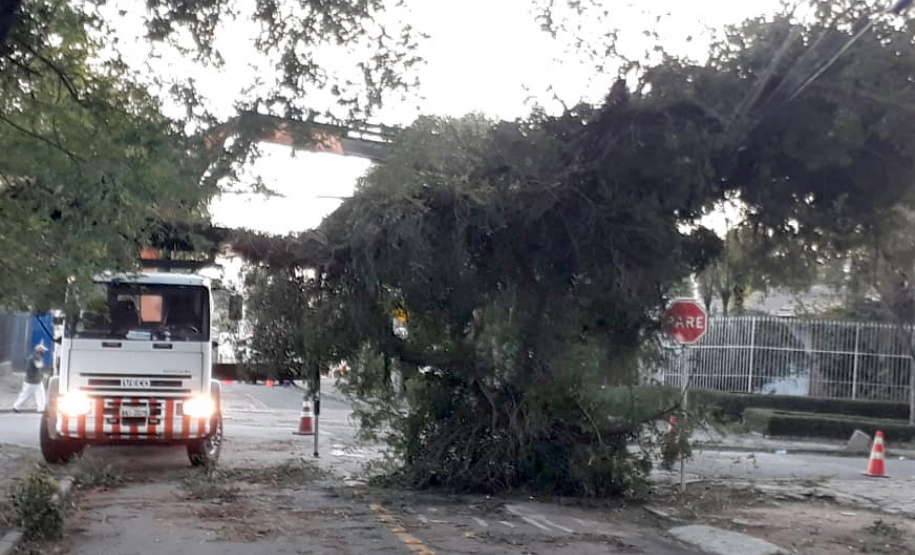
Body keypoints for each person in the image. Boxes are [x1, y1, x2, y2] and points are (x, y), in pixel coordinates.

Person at [13, 343, 49, 413]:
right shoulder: (31, 360)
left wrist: (41, 376)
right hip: (31, 382)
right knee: (25, 395)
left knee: (40, 395)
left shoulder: (40, 359)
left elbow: (40, 369)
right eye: (43, 351)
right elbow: (28, 370)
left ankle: (41, 408)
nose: (44, 352)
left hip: (37, 382)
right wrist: (33, 377)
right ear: (40, 352)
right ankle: (16, 406)